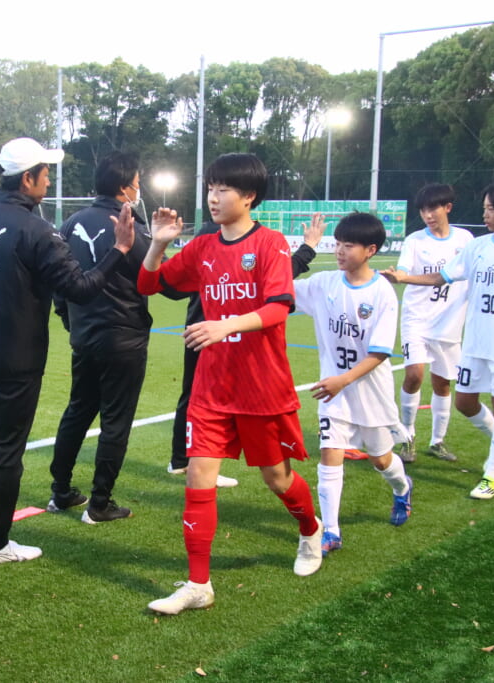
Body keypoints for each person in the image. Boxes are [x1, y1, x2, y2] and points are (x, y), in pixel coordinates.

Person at [0, 137, 135, 564]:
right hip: (17, 359)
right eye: (45, 174)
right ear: (27, 179)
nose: (48, 181)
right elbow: (81, 289)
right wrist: (118, 250)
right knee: (7, 450)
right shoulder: (38, 230)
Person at [138, 153, 324, 616]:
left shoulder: (270, 243)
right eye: (210, 187)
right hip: (212, 388)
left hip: (261, 387)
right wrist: (157, 244)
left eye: (224, 189)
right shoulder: (203, 246)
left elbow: (279, 307)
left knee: (277, 478)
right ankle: (198, 584)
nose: (213, 197)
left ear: (249, 196)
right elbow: (149, 284)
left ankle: (310, 530)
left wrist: (226, 325)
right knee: (198, 476)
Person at [384, 180, 494, 499]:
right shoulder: (476, 247)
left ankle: (492, 476)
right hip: (474, 341)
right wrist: (404, 278)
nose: (485, 215)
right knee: (464, 402)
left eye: (491, 209)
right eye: (484, 208)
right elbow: (441, 277)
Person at [167, 218, 324, 486]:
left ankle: (184, 459)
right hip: (220, 335)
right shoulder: (221, 238)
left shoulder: (219, 235)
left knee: (192, 395)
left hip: (202, 329)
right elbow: (277, 276)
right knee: (213, 399)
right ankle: (195, 460)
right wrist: (308, 248)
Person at [294, 212, 413, 559]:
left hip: (368, 391)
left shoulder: (382, 293)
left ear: (370, 250)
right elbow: (279, 287)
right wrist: (304, 250)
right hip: (334, 393)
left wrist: (342, 380)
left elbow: (379, 353)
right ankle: (331, 530)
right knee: (330, 453)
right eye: (338, 244)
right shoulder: (324, 284)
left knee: (380, 459)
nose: (340, 251)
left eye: (348, 245)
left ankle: (402, 488)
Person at [47, 152, 151, 523]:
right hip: (123, 338)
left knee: (77, 412)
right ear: (124, 187)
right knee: (115, 422)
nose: (139, 188)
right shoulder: (128, 225)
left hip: (84, 336)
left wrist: (69, 320)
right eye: (136, 182)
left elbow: (58, 282)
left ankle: (61, 492)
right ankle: (100, 502)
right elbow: (155, 277)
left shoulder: (70, 223)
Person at [393, 183, 474, 463]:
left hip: (449, 322)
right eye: (423, 210)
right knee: (414, 375)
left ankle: (438, 441)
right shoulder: (415, 241)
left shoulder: (465, 240)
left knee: (442, 383)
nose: (427, 215)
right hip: (416, 318)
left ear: (447, 207)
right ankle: (407, 437)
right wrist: (400, 275)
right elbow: (403, 270)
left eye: (433, 209)